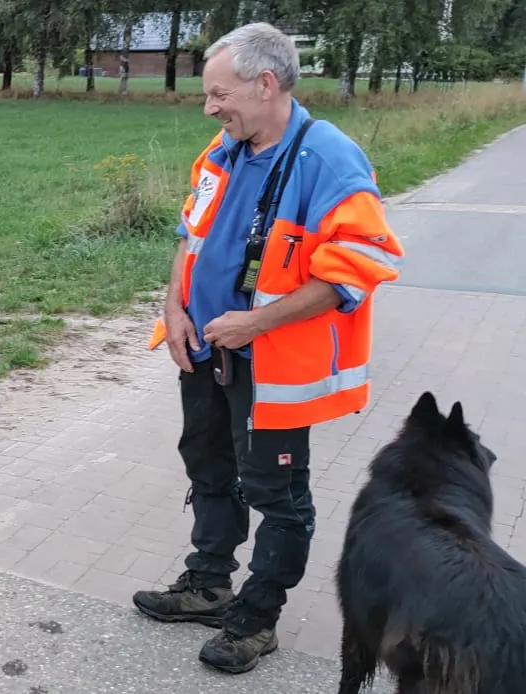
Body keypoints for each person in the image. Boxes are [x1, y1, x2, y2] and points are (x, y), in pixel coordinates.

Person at [134, 23, 404, 674]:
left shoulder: (329, 158)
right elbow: (188, 234)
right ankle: (208, 585)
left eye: (218, 93)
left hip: (270, 369)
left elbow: (358, 265)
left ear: (265, 84)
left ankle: (256, 621)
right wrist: (173, 307)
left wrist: (255, 325)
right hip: (202, 353)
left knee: (277, 494)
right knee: (208, 467)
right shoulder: (223, 150)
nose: (209, 107)